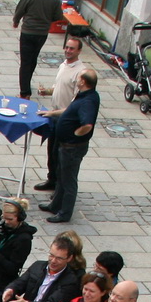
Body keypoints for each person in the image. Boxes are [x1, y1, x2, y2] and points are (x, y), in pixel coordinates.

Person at [37, 70, 99, 224]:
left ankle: (64, 213)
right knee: (61, 176)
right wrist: (51, 113)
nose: (76, 79)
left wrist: (75, 135)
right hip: (66, 146)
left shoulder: (88, 101)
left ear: (83, 82)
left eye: (79, 77)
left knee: (69, 181)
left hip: (72, 147)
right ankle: (55, 205)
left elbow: (87, 124)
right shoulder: (84, 95)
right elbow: (70, 110)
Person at [34, 35, 92, 195]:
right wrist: (47, 91)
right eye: (66, 47)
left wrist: (51, 112)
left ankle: (59, 188)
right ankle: (51, 180)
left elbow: (75, 103)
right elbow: (59, 86)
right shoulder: (63, 65)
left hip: (66, 119)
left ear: (79, 51)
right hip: (55, 115)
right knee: (51, 151)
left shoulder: (81, 73)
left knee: (60, 154)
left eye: (72, 48)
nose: (67, 50)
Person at [10, 0, 63, 99]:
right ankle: (27, 84)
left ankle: (24, 92)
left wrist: (16, 21)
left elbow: (20, 9)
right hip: (42, 33)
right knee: (33, 59)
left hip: (28, 31)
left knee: (25, 61)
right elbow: (58, 16)